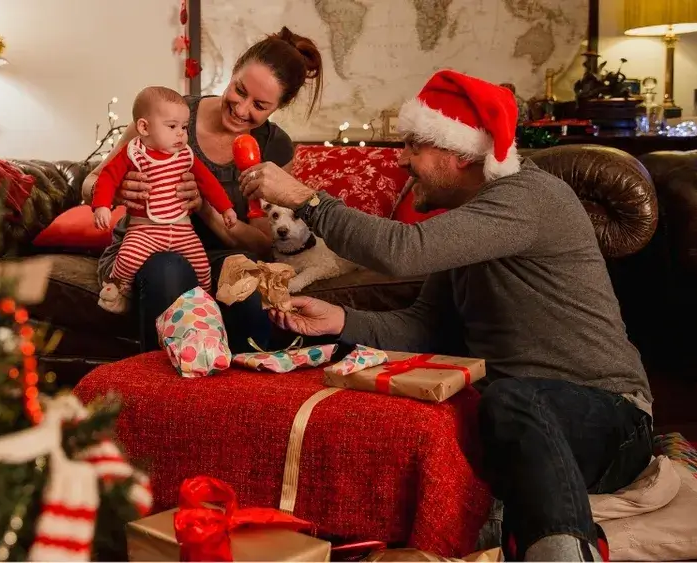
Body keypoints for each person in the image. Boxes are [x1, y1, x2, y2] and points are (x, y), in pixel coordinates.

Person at [242, 69, 653, 562]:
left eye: (414, 144)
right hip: (516, 420)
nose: (401, 158)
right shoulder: (468, 223)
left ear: (458, 153)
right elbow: (425, 327)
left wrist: (306, 200)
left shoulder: (529, 197)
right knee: (460, 409)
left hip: (610, 415)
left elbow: (400, 251)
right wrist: (340, 321)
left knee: (509, 398)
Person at [82, 27, 324, 352]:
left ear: (279, 107)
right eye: (240, 90)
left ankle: (240, 394)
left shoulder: (274, 147)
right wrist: (119, 191)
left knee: (246, 286)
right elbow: (89, 185)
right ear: (233, 70)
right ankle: (158, 394)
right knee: (170, 270)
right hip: (144, 250)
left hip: (214, 257)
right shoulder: (171, 114)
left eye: (260, 105)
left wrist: (206, 209)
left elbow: (264, 244)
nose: (241, 109)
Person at [91, 86, 238, 313]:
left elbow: (208, 183)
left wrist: (226, 208)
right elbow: (107, 178)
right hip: (144, 232)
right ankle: (119, 292)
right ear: (144, 127)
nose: (180, 133)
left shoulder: (186, 156)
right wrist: (102, 205)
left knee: (202, 266)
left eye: (184, 127)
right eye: (172, 127)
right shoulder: (133, 153)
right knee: (128, 259)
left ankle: (208, 304)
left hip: (183, 231)